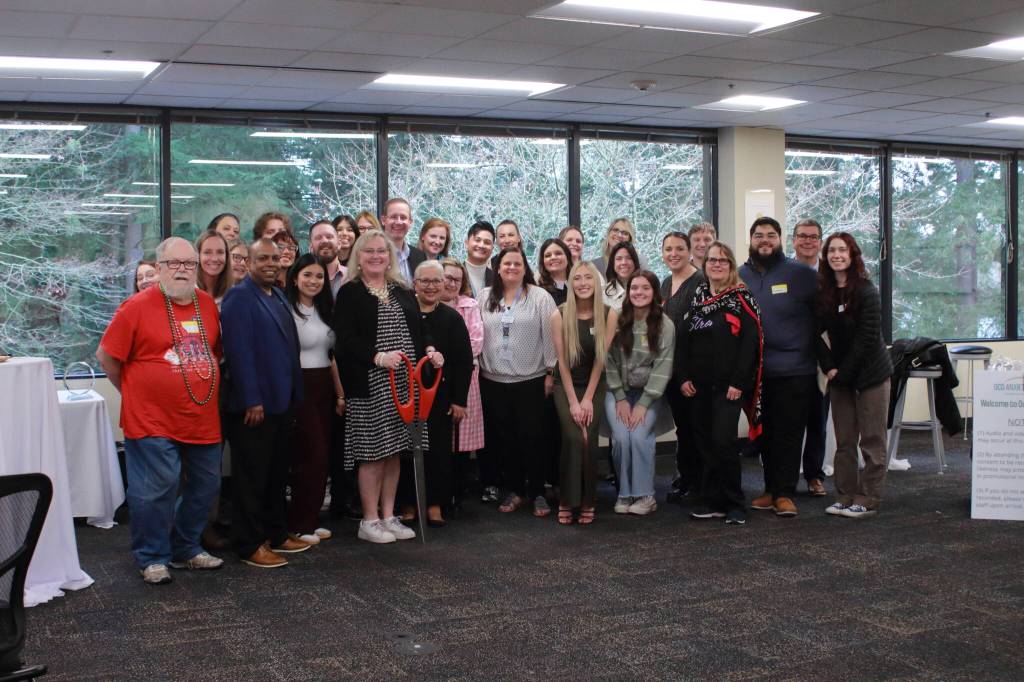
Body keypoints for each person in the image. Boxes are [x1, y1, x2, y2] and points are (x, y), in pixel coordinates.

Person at [97, 237, 224, 584]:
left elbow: (213, 352)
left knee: (207, 485)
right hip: (150, 418)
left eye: (189, 264)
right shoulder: (135, 306)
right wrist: (133, 391)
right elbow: (106, 357)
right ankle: (151, 556)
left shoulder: (206, 304)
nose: (182, 270)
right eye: (173, 263)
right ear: (159, 267)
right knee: (157, 487)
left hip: (201, 417)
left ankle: (185, 547)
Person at [333, 229, 435, 544]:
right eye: (369, 251)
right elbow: (345, 340)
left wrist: (431, 349)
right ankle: (370, 520)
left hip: (405, 384)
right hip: (370, 384)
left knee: (395, 452)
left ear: (390, 257)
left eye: (382, 251)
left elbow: (420, 328)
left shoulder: (401, 289)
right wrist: (377, 358)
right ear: (358, 257)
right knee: (373, 454)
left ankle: (389, 516)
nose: (376, 256)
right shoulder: (350, 292)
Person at [221, 238, 309, 568]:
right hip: (254, 406)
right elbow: (239, 353)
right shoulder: (239, 297)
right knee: (251, 479)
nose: (271, 263)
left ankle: (276, 533)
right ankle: (249, 544)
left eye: (275, 257)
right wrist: (252, 400)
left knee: (275, 475)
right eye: (263, 258)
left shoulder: (278, 294)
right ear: (248, 262)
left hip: (281, 402)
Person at [677, 242, 763, 526]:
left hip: (728, 387)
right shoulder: (698, 298)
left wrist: (739, 381)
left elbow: (751, 344)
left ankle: (735, 503)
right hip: (698, 388)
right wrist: (684, 377)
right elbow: (684, 342)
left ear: (731, 266)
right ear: (705, 265)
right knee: (703, 443)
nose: (716, 264)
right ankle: (714, 502)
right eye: (712, 260)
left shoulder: (741, 299)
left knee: (723, 442)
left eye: (722, 261)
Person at [739, 217, 818, 518]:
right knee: (765, 433)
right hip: (757, 372)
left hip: (794, 369)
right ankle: (770, 489)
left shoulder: (801, 274)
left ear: (780, 239)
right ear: (751, 239)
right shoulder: (740, 275)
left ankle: (785, 493)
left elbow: (822, 315)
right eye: (759, 235)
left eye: (771, 235)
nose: (765, 240)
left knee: (789, 433)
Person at [816, 233, 893, 519]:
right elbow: (814, 333)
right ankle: (844, 496)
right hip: (839, 376)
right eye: (832, 250)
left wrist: (843, 372)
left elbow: (867, 337)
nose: (837, 255)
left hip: (871, 375)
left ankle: (867, 498)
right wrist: (829, 367)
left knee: (872, 440)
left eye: (842, 250)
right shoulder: (824, 292)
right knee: (844, 441)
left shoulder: (866, 290)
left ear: (852, 255)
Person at [479, 247, 557, 517]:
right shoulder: (485, 296)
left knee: (532, 437)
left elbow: (551, 336)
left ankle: (537, 492)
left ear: (525, 268)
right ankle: (515, 490)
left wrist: (551, 372)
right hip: (493, 381)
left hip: (531, 380)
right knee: (506, 439)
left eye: (517, 264)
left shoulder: (540, 297)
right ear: (498, 268)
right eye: (506, 263)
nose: (512, 267)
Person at [398, 260, 472, 526]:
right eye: (425, 281)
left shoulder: (452, 318)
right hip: (405, 393)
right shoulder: (403, 313)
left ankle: (435, 503)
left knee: (438, 451)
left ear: (444, 284)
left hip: (440, 396)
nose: (431, 286)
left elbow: (464, 361)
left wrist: (459, 400)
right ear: (414, 284)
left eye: (436, 281)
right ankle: (407, 502)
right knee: (405, 449)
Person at [284, 254, 343, 544]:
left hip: (325, 387)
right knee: (310, 455)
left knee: (322, 457)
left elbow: (331, 357)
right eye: (307, 275)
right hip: (300, 387)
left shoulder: (324, 309)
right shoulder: (287, 310)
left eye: (319, 276)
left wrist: (340, 393)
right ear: (295, 278)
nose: (314, 281)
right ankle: (298, 524)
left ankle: (310, 518)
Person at [550, 261, 615, 525]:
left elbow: (601, 361)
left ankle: (588, 501)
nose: (583, 283)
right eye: (577, 278)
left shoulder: (609, 314)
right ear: (571, 283)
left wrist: (587, 399)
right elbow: (562, 363)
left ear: (596, 283)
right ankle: (567, 499)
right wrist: (574, 403)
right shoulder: (559, 315)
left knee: (589, 437)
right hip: (565, 384)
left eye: (588, 278)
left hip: (594, 384)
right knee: (574, 436)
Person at [605, 270, 674, 516]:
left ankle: (645, 496)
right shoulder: (616, 318)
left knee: (639, 436)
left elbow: (663, 368)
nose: (639, 292)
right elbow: (607, 361)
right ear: (628, 292)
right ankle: (625, 494)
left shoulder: (665, 325)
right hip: (618, 392)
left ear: (655, 292)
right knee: (622, 438)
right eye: (634, 288)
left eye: (645, 288)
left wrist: (643, 403)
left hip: (649, 394)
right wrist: (620, 398)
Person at [659, 231, 705, 502]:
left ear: (689, 251)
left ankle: (699, 484)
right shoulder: (665, 283)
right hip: (671, 370)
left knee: (696, 428)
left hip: (692, 371)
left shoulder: (700, 282)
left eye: (679, 248)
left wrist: (687, 373)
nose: (673, 254)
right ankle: (686, 478)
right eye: (668, 249)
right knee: (684, 428)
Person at [440, 259, 485, 504]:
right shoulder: (423, 303)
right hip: (433, 379)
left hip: (464, 377)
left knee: (461, 435)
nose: (452, 283)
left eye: (457, 279)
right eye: (447, 277)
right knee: (439, 435)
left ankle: (458, 489)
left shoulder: (470, 305)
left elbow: (475, 343)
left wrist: (445, 357)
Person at [793, 218, 828, 497]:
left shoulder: (830, 275)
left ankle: (814, 475)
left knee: (817, 420)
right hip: (789, 359)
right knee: (788, 424)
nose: (808, 241)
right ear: (793, 240)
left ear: (820, 242)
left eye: (813, 237)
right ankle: (785, 478)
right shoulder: (784, 272)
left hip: (820, 360)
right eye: (802, 236)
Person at [380, 197, 425, 284]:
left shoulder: (420, 257)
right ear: (383, 220)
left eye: (403, 217)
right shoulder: (373, 256)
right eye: (393, 217)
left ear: (410, 222)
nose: (398, 222)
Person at [310, 219, 347, 298]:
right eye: (318, 238)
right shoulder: (303, 281)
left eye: (329, 237)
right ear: (311, 247)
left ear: (339, 244)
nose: (324, 241)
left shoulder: (353, 277)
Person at [195, 232, 232, 306]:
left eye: (220, 252)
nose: (214, 259)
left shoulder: (234, 294)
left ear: (227, 256)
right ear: (197, 256)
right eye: (207, 252)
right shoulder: (186, 293)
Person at [603, 241, 640, 311]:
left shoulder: (645, 288)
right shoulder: (604, 294)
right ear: (613, 263)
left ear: (635, 261)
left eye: (629, 258)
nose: (624, 262)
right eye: (619, 259)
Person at [537, 237, 573, 306]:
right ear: (543, 262)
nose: (553, 257)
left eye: (558, 253)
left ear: (567, 257)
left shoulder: (579, 285)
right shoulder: (538, 292)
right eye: (548, 255)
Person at [464, 220, 496, 299]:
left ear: (492, 248)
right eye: (477, 240)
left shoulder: (497, 280)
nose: (481, 245)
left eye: (487, 242)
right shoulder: (455, 275)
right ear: (466, 243)